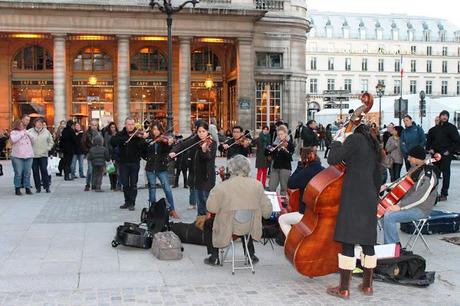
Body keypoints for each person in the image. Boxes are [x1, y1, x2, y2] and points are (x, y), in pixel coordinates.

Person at [326, 124, 381, 299]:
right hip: (369, 197)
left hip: (353, 197)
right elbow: (377, 176)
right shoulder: (374, 144)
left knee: (348, 241)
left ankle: (343, 288)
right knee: (367, 242)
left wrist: (337, 141)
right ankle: (367, 286)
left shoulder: (354, 139)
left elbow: (333, 158)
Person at [203, 155, 273, 265]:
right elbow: (267, 212)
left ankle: (214, 256)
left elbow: (211, 208)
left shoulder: (222, 187)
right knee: (246, 217)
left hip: (228, 226)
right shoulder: (257, 185)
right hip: (249, 227)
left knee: (208, 223)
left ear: (230, 168)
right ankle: (251, 254)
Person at [383, 145, 439, 244]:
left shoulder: (429, 175)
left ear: (417, 158)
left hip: (421, 209)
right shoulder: (414, 169)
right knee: (383, 211)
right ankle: (389, 243)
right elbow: (402, 183)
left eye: (410, 157)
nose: (408, 159)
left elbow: (421, 197)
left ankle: (394, 247)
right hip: (409, 205)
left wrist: (400, 206)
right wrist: (386, 186)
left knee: (389, 216)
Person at [169, 121, 217, 216]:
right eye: (199, 131)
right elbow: (182, 145)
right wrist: (174, 151)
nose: (201, 134)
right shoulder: (195, 140)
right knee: (200, 205)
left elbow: (209, 158)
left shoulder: (212, 143)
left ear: (207, 131)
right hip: (197, 177)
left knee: (208, 203)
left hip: (207, 177)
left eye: (203, 131)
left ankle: (210, 225)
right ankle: (200, 224)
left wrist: (204, 151)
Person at [111, 118, 148, 211]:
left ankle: (132, 203)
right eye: (129, 124)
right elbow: (113, 142)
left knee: (133, 184)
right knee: (125, 183)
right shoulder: (121, 134)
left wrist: (143, 140)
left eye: (132, 124)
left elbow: (143, 147)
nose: (131, 126)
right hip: (123, 162)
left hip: (135, 162)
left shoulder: (138, 135)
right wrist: (127, 138)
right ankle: (127, 201)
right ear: (125, 125)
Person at [144, 122, 178, 218]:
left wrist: (170, 144)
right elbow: (143, 149)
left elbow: (167, 150)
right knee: (152, 190)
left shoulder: (164, 139)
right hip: (150, 168)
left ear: (160, 130)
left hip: (161, 168)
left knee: (167, 189)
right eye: (154, 129)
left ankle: (172, 210)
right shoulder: (149, 139)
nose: (155, 131)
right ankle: (152, 211)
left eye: (157, 129)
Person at [426, 110, 460, 202]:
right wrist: (430, 149)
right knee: (434, 174)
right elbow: (429, 141)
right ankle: (433, 192)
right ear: (439, 116)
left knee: (446, 174)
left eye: (446, 116)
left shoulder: (452, 128)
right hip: (435, 154)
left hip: (446, 154)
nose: (444, 117)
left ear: (448, 117)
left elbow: (457, 142)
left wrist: (449, 151)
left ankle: (444, 194)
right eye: (443, 115)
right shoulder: (433, 130)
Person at [286, 146, 324, 214]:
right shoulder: (323, 170)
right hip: (319, 212)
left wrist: (299, 166)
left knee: (282, 219)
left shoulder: (305, 172)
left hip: (305, 213)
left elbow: (290, 184)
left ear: (305, 159)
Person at [267, 125, 295, 196]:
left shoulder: (289, 144)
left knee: (284, 188)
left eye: (281, 134)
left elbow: (290, 157)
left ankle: (283, 204)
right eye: (278, 134)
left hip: (285, 168)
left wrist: (284, 149)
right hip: (275, 167)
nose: (279, 136)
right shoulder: (275, 143)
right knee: (271, 187)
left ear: (285, 134)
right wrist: (268, 149)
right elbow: (267, 153)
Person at [28, 118, 54, 193]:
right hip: (33, 155)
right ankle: (38, 187)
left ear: (42, 124)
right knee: (35, 172)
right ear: (34, 123)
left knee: (44, 170)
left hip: (43, 155)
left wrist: (48, 148)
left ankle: (46, 187)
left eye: (40, 123)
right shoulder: (29, 131)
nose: (39, 124)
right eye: (37, 123)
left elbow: (51, 142)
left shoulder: (46, 132)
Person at [10, 119, 34, 195]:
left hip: (28, 155)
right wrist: (21, 133)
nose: (22, 126)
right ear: (17, 125)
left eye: (22, 125)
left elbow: (33, 141)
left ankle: (27, 188)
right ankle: (17, 188)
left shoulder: (27, 132)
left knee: (27, 172)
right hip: (17, 156)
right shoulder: (13, 132)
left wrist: (29, 135)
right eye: (20, 124)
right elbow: (13, 140)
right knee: (18, 173)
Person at [83, 119, 102, 191]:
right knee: (90, 169)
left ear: (97, 126)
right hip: (90, 153)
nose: (94, 126)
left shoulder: (100, 133)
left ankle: (94, 184)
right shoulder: (87, 133)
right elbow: (83, 143)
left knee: (97, 170)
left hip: (99, 153)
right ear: (90, 125)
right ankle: (87, 184)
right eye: (92, 125)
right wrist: (87, 150)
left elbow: (102, 143)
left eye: (95, 125)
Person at [104, 122, 120, 191]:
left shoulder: (118, 134)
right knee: (111, 170)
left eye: (114, 127)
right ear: (109, 128)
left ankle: (116, 184)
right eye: (111, 127)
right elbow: (106, 145)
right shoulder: (107, 134)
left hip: (116, 154)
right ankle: (112, 185)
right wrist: (107, 155)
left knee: (116, 170)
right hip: (109, 154)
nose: (113, 128)